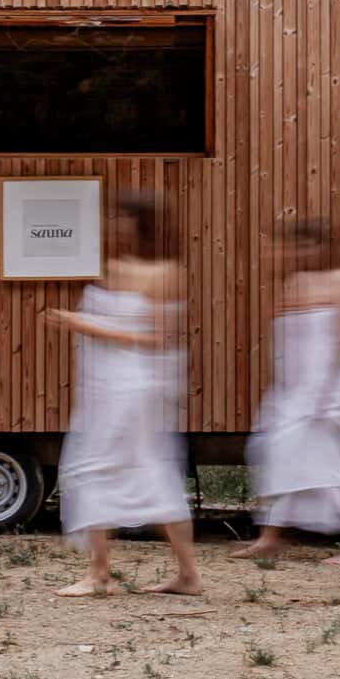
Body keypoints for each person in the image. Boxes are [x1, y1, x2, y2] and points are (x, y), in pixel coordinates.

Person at [51, 191, 201, 598]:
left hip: (134, 385)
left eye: (122, 217)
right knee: (107, 467)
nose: (114, 224)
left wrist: (84, 325)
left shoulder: (165, 272)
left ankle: (107, 575)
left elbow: (158, 338)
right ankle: (123, 572)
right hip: (103, 384)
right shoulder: (112, 268)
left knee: (114, 468)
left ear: (141, 224)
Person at [241, 218, 340, 563]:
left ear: (326, 246)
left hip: (330, 381)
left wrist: (326, 391)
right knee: (276, 448)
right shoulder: (293, 282)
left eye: (310, 245)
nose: (303, 252)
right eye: (298, 246)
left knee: (332, 459)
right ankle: (270, 535)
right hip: (295, 384)